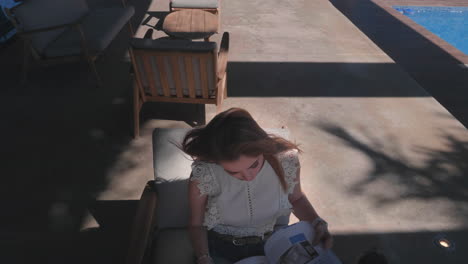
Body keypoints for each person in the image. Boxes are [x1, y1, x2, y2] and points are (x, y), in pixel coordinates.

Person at [181, 108, 333, 264]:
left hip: (271, 243)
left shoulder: (286, 160)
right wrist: (203, 257)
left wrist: (316, 222)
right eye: (234, 172)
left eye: (254, 165)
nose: (248, 177)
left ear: (262, 148)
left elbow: (297, 198)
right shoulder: (204, 173)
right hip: (218, 248)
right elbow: (196, 224)